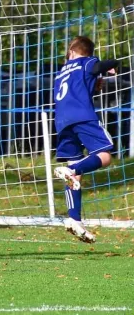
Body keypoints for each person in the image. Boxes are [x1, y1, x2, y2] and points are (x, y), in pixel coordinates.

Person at [53, 36, 119, 243]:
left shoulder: (61, 72)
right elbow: (99, 66)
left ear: (71, 51)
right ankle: (71, 170)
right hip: (82, 116)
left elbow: (79, 88)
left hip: (62, 121)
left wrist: (94, 84)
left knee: (74, 172)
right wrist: (109, 66)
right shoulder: (87, 61)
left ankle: (74, 220)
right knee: (105, 155)